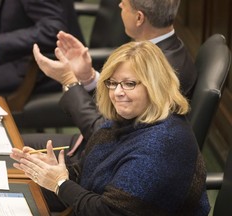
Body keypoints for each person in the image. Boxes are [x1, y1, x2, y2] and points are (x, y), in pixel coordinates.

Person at [11, 41, 210, 215]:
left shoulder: (162, 146)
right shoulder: (125, 121)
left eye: (129, 84)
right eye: (113, 83)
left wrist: (61, 184)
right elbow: (88, 173)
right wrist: (53, 171)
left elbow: (108, 211)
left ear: (155, 85)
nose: (117, 93)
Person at [22, 0, 198, 161]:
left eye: (125, 3)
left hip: (109, 163)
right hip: (91, 147)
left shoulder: (164, 71)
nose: (120, 5)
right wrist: (88, 76)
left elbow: (104, 133)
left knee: (11, 155)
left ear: (139, 18)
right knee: (10, 144)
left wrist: (69, 80)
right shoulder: (156, 48)